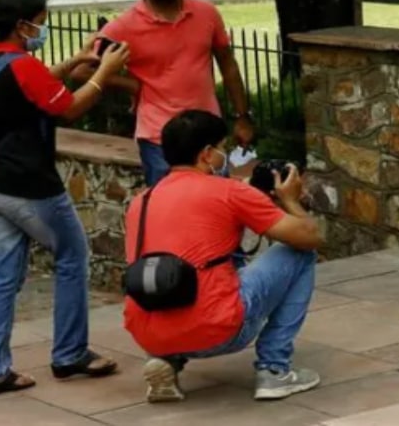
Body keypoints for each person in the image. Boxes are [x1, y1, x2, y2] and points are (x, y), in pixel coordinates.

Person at [0, 0, 131, 397]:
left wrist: (75, 61)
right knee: (72, 255)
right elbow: (68, 107)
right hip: (28, 187)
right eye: (41, 18)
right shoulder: (24, 67)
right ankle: (70, 353)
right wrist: (103, 73)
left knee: (2, 279)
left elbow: (32, 89)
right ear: (23, 26)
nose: (44, 25)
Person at [124, 110, 322, 403]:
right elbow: (310, 236)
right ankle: (274, 370)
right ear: (206, 154)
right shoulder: (228, 192)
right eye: (222, 148)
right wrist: (290, 199)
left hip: (148, 333)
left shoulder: (142, 200)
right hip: (217, 331)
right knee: (301, 254)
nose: (224, 155)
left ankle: (167, 361)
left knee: (201, 268)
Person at [73, 0, 255, 186]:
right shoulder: (124, 27)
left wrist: (242, 116)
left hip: (209, 133)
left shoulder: (206, 13)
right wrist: (133, 86)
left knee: (216, 207)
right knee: (168, 208)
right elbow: (82, 71)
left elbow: (228, 64)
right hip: (159, 137)